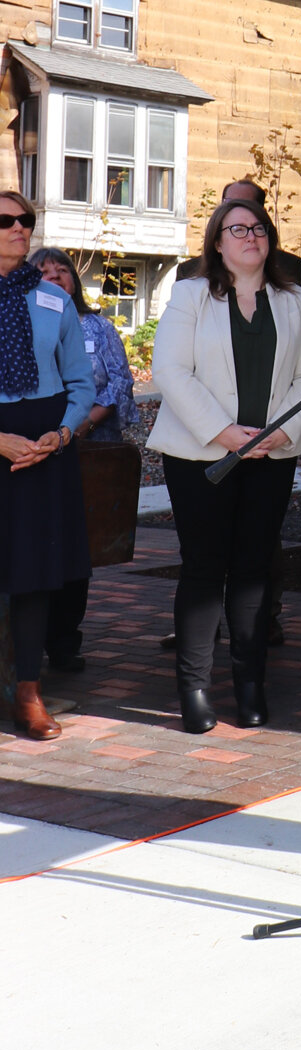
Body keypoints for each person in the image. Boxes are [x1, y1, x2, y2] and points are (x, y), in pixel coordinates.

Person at [150, 195, 301, 732]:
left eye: (259, 229)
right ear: (218, 242)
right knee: (205, 570)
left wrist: (279, 432)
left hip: (269, 456)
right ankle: (195, 687)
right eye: (237, 229)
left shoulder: (293, 300)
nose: (250, 237)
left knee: (252, 573)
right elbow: (171, 372)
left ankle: (250, 684)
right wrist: (226, 434)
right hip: (201, 457)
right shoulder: (190, 295)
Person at [0, 191, 94, 739]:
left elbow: (81, 382)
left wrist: (58, 436)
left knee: (34, 575)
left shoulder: (54, 301)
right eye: (7, 221)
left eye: (26, 221)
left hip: (44, 451)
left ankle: (28, 694)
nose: (20, 228)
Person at [31, 248, 137, 673]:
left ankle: (64, 643)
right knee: (36, 546)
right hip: (34, 450)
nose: (56, 278)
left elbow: (118, 382)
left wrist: (78, 426)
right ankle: (27, 642)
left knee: (78, 550)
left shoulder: (97, 326)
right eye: (45, 272)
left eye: (63, 272)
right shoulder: (23, 321)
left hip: (87, 452)